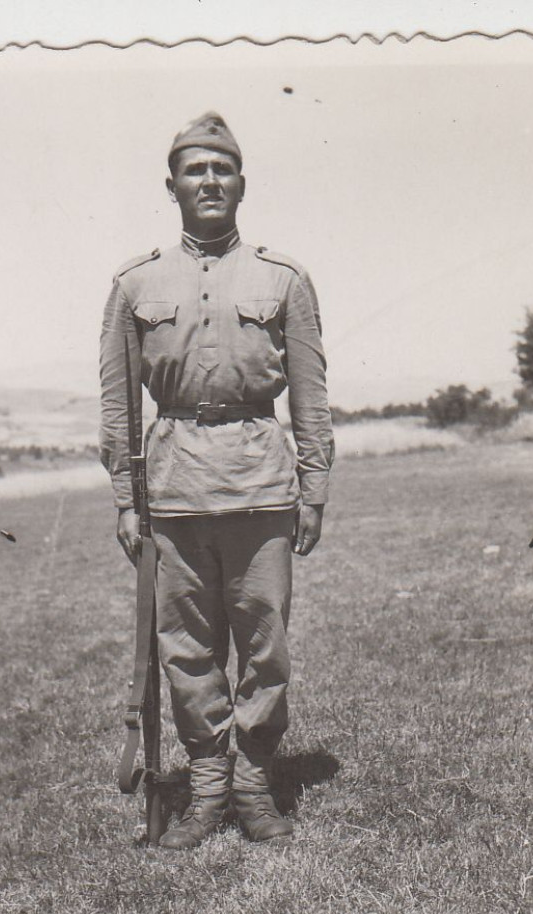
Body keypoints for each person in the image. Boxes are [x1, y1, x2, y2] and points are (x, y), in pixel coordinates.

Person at [99, 112, 334, 850]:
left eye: (221, 169)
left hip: (262, 484)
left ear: (241, 183)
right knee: (186, 646)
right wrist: (125, 500)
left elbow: (310, 391)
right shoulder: (134, 284)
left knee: (264, 644)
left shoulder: (283, 278)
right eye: (194, 170)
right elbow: (116, 403)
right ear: (170, 186)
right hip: (171, 489)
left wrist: (315, 484)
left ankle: (254, 782)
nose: (209, 181)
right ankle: (205, 785)